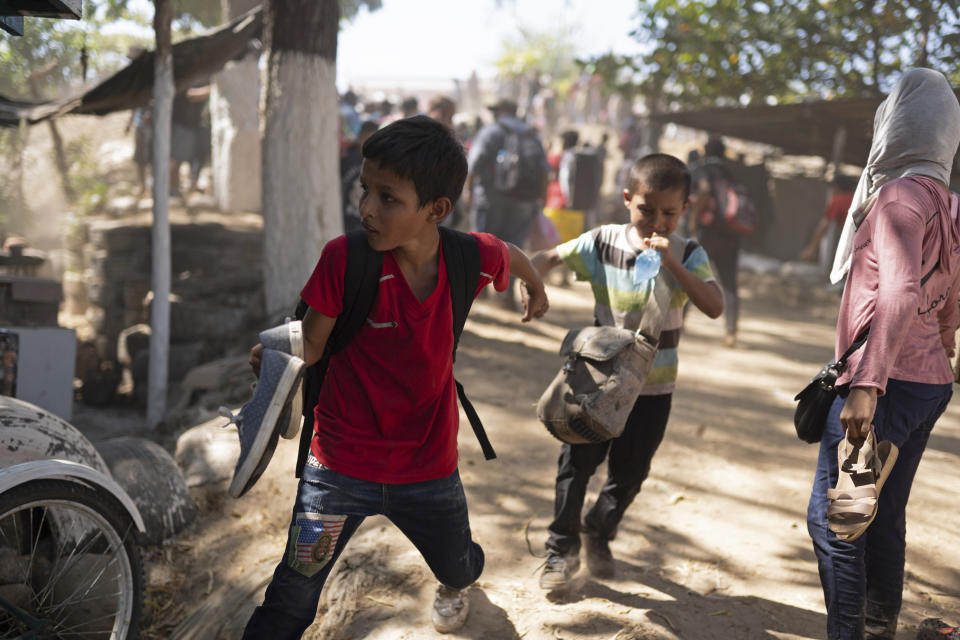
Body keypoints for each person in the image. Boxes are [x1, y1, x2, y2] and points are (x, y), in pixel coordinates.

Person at [240, 116, 550, 638]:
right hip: (337, 470)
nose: (366, 208)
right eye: (365, 190)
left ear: (437, 210)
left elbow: (509, 254)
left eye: (388, 198)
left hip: (428, 471)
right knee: (292, 595)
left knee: (460, 567)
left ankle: (456, 585)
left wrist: (534, 285)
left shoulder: (466, 258)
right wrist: (279, 359)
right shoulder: (344, 260)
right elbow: (312, 343)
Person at [808, 68, 960, 640]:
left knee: (838, 522)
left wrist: (867, 384)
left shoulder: (897, 196)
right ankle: (878, 622)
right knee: (885, 507)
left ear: (893, 127)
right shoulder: (946, 201)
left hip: (889, 386)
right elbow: (951, 289)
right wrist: (946, 343)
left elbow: (897, 290)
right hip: (927, 385)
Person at [530, 153, 724, 589]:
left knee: (631, 472)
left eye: (669, 213)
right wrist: (532, 282)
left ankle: (598, 529)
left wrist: (672, 262)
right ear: (626, 200)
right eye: (646, 210)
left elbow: (714, 306)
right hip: (595, 382)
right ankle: (560, 549)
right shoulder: (603, 242)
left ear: (685, 209)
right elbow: (547, 258)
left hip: (653, 390)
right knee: (575, 464)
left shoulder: (690, 253)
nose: (657, 221)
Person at [465, 97, 549, 308]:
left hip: (490, 197)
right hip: (524, 200)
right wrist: (541, 199)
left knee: (483, 243)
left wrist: (468, 191)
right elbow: (544, 171)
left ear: (501, 111)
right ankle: (506, 294)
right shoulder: (532, 135)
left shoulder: (491, 131)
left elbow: (474, 163)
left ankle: (479, 289)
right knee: (514, 247)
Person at [687, 135, 742, 347]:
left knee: (690, 278)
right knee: (729, 284)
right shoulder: (733, 173)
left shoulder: (702, 170)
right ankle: (731, 333)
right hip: (731, 234)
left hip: (706, 234)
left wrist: (692, 222)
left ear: (705, 151)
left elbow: (703, 191)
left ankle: (679, 323)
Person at [799, 174, 857, 271]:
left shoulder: (838, 200)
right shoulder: (856, 198)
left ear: (837, 187)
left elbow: (824, 225)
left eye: (832, 187)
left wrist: (811, 248)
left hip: (854, 238)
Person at [340, 119, 378, 232]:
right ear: (359, 137)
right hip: (348, 216)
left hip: (368, 218)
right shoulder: (347, 157)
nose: (367, 143)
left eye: (372, 139)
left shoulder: (378, 161)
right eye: (365, 138)